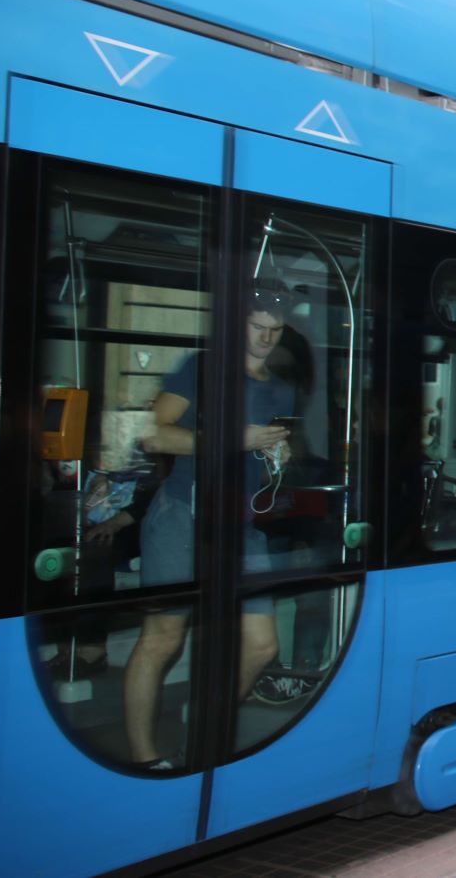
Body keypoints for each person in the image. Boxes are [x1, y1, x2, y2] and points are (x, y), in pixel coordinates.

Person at [124, 279, 296, 769]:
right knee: (163, 637)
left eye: (275, 330)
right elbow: (155, 436)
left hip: (242, 521)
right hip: (185, 510)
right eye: (257, 326)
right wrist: (229, 437)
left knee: (262, 645)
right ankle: (143, 758)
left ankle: (201, 728)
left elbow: (275, 450)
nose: (265, 338)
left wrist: (280, 452)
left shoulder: (280, 387)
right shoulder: (202, 369)